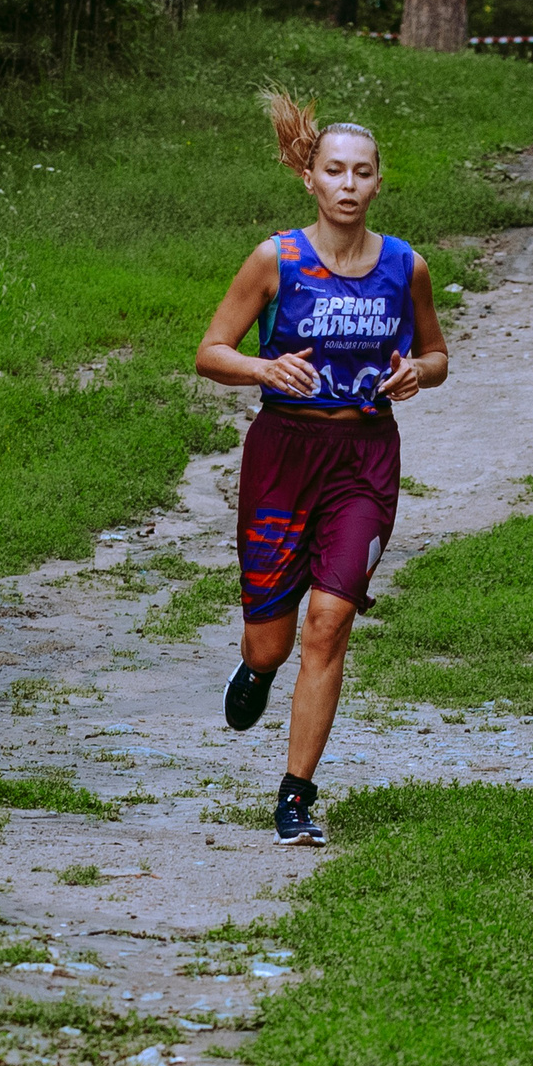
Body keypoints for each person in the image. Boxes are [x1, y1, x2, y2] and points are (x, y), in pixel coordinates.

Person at [193, 93, 449, 846]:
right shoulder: (277, 259)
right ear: (310, 177)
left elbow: (437, 355)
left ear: (377, 183)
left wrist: (417, 376)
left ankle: (296, 795)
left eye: (361, 173)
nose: (347, 184)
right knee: (271, 642)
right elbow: (210, 352)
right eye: (333, 169)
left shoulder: (406, 266)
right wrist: (264, 368)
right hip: (283, 456)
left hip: (364, 458)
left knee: (331, 623)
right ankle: (259, 668)